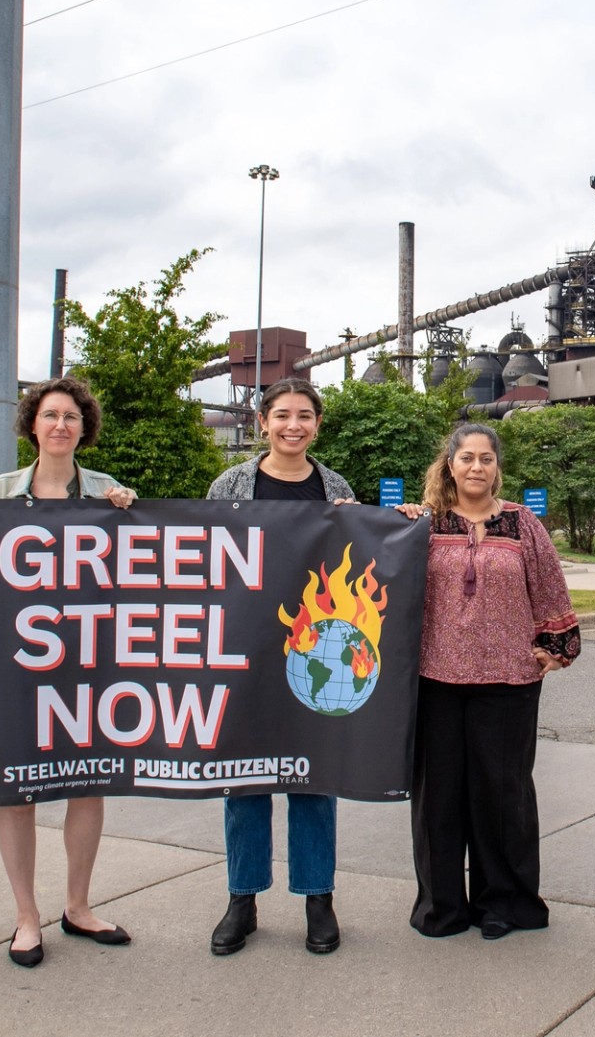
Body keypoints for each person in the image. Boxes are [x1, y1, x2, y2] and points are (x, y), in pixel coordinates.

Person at [0, 377, 137, 967]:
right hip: (19, 662)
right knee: (17, 786)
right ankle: (26, 917)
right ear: (33, 424)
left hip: (88, 658)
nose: (61, 425)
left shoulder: (108, 491)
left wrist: (133, 513)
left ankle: (78, 907)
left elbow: (140, 566)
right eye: (51, 415)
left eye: (71, 417)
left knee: (88, 780)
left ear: (84, 428)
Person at [397, 423, 579, 939]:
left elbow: (550, 588)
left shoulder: (522, 524)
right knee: (437, 799)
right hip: (434, 678)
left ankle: (504, 904)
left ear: (497, 467)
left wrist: (556, 646)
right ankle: (442, 906)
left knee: (503, 797)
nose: (476, 467)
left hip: (509, 680)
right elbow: (382, 573)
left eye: (486, 459)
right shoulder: (422, 524)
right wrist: (383, 520)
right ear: (450, 464)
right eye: (467, 458)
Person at [202, 376, 357, 957]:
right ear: (262, 421)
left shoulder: (334, 487)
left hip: (313, 654)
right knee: (243, 778)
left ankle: (318, 897)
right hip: (244, 648)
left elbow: (353, 566)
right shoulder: (230, 485)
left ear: (317, 425)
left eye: (305, 416)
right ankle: (242, 899)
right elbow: (205, 562)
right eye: (283, 415)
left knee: (313, 777)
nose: (294, 426)